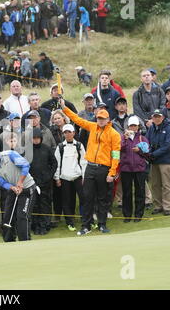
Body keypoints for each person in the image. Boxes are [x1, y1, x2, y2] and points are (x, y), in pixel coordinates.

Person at [59, 97, 121, 235]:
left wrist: (112, 173)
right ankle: (86, 226)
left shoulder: (114, 134)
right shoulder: (93, 127)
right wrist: (64, 108)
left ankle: (102, 224)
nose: (100, 120)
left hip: (104, 169)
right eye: (98, 118)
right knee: (87, 197)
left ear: (108, 119)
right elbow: (77, 120)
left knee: (103, 199)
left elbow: (116, 155)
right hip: (90, 167)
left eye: (103, 118)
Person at [0, 143, 37, 242]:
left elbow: (25, 165)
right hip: (14, 190)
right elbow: (2, 183)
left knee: (22, 216)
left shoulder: (10, 154)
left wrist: (20, 181)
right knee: (7, 217)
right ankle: (9, 242)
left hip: (27, 188)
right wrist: (12, 187)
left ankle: (25, 241)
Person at [54, 123, 86, 231]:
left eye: (69, 132)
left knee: (83, 198)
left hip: (77, 176)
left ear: (73, 133)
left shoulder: (79, 145)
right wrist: (57, 178)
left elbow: (83, 162)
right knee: (67, 201)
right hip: (65, 177)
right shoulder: (60, 147)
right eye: (65, 132)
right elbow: (57, 163)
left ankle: (87, 220)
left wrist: (84, 176)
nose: (67, 134)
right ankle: (70, 222)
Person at [119, 116, 150, 222]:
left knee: (140, 192)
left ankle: (138, 215)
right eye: (131, 126)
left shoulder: (143, 138)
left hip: (139, 169)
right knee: (127, 193)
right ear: (128, 127)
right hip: (126, 169)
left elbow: (147, 154)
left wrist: (139, 150)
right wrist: (125, 140)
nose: (133, 128)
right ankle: (127, 215)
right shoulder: (123, 137)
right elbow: (119, 149)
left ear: (138, 126)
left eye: (135, 126)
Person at [146, 110, 170, 216]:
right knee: (155, 184)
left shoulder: (168, 128)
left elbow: (168, 146)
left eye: (159, 116)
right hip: (154, 161)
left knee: (166, 184)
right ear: (152, 118)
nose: (157, 119)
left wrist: (153, 154)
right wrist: (148, 153)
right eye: (155, 117)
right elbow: (147, 142)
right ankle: (158, 206)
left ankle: (167, 207)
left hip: (165, 161)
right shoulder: (151, 128)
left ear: (162, 117)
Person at [30, 128, 56, 235]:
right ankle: (35, 225)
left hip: (45, 183)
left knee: (45, 204)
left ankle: (45, 225)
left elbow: (54, 163)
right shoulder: (27, 151)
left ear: (41, 138)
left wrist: (49, 176)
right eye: (34, 138)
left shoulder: (47, 149)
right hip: (32, 182)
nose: (36, 140)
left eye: (37, 138)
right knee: (34, 204)